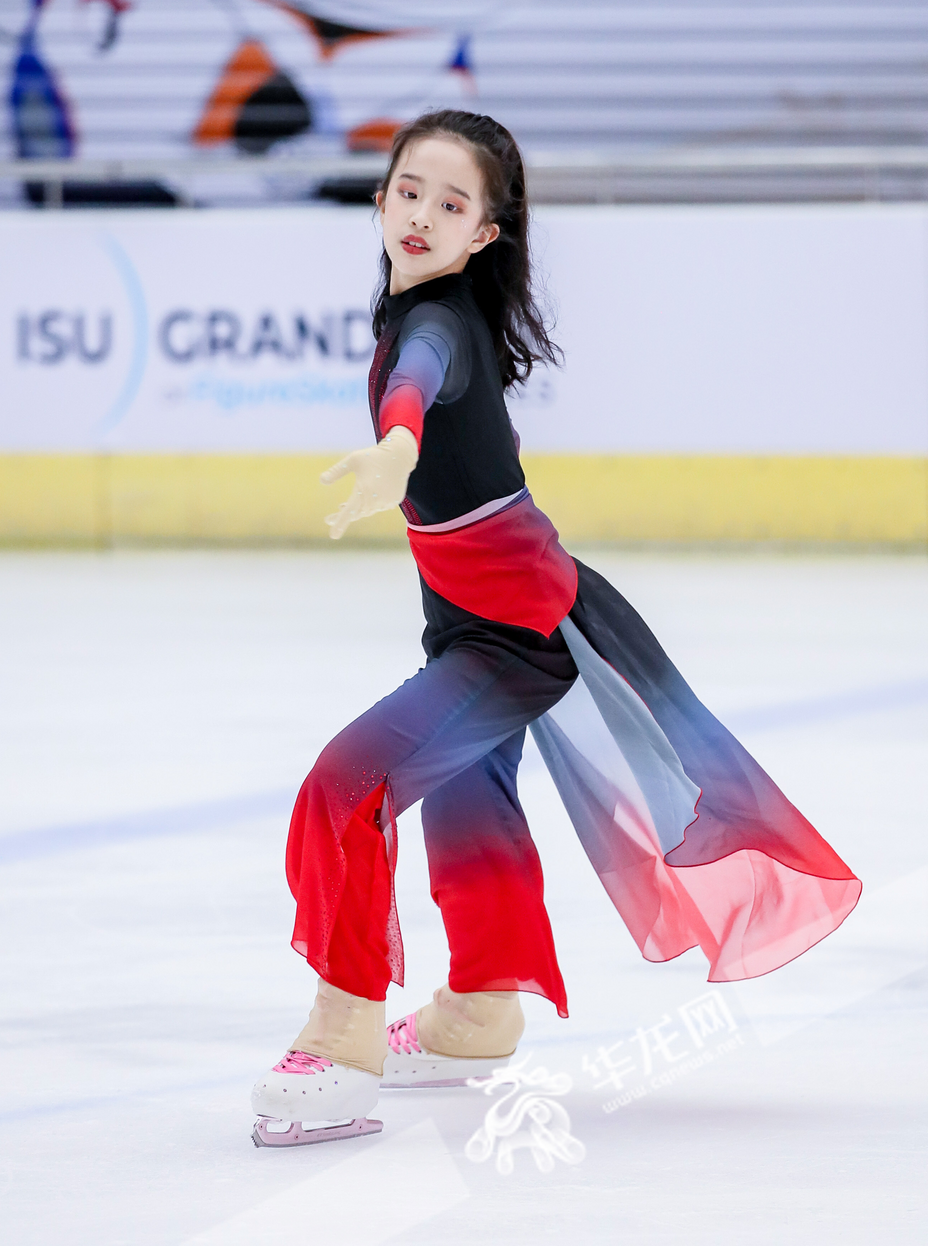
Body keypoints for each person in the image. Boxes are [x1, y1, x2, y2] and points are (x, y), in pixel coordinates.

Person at [250, 110, 861, 1147]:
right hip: (484, 616)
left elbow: (417, 387)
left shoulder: (435, 323)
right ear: (379, 197)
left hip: (512, 631)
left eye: (452, 204)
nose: (423, 215)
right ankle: (480, 1008)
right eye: (409, 191)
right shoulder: (420, 310)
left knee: (342, 788)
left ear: (483, 234)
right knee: (463, 794)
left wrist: (394, 452)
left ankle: (342, 1030)